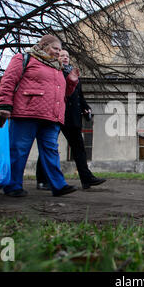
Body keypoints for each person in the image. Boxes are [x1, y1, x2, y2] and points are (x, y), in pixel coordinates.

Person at [0, 35, 79, 197]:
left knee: (51, 150)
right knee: (19, 149)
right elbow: (8, 80)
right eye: (55, 49)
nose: (58, 53)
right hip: (27, 113)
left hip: (51, 116)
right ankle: (13, 186)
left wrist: (71, 82)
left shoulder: (58, 67)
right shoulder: (24, 58)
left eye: (59, 50)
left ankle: (58, 185)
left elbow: (64, 93)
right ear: (43, 46)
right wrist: (5, 105)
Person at [36, 50, 106, 190]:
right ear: (57, 58)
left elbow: (79, 95)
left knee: (79, 148)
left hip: (73, 117)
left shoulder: (74, 74)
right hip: (56, 115)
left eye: (67, 56)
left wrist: (86, 108)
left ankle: (86, 179)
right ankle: (42, 180)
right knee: (49, 146)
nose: (65, 58)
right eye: (62, 56)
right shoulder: (53, 71)